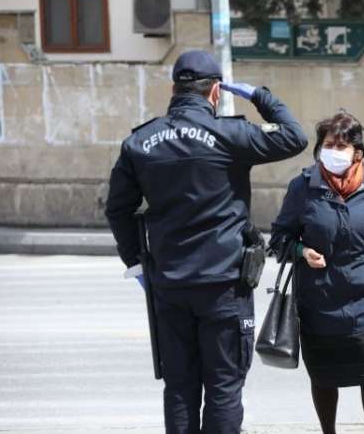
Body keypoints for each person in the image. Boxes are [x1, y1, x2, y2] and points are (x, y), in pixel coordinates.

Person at [105, 50, 308, 434]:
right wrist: (259, 96)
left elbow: (118, 210)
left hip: (169, 284)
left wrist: (137, 263)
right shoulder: (232, 135)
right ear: (215, 91)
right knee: (224, 386)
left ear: (173, 89)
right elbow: (295, 137)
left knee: (180, 387)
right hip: (224, 284)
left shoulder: (140, 142)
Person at [270, 111, 364, 434]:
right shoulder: (303, 187)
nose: (332, 152)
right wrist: (301, 251)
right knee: (323, 374)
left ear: (357, 152)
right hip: (320, 300)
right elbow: (279, 239)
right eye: (326, 145)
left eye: (340, 145)